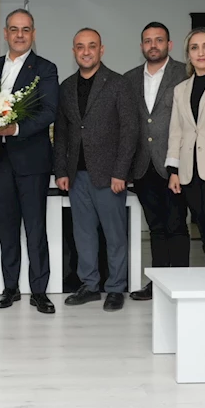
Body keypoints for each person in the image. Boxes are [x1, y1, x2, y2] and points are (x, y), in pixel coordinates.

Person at [0, 8, 59, 314]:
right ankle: (10, 288)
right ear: (5, 33)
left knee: (36, 229)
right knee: (7, 228)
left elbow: (49, 111)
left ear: (33, 34)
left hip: (32, 160)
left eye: (25, 29)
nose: (20, 35)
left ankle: (39, 291)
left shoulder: (45, 68)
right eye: (14, 29)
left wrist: (15, 128)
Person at [54, 28, 138, 311]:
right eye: (80, 46)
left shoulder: (118, 83)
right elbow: (62, 132)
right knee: (83, 234)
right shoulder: (66, 87)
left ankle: (115, 288)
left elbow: (129, 131)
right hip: (76, 175)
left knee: (114, 235)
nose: (86, 51)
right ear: (74, 51)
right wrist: (61, 170)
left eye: (92, 46)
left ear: (101, 49)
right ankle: (89, 285)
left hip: (109, 175)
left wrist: (121, 172)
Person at [125, 22, 190, 301]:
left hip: (174, 164)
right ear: (141, 46)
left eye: (159, 40)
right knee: (156, 227)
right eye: (148, 41)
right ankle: (159, 284)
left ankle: (181, 283)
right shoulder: (129, 78)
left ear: (169, 44)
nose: (153, 45)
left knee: (176, 224)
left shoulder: (184, 73)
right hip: (142, 165)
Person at [165, 27, 205, 268]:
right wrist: (173, 170)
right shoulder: (181, 89)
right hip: (188, 173)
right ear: (188, 54)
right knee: (201, 233)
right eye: (194, 48)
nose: (200, 53)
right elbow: (176, 131)